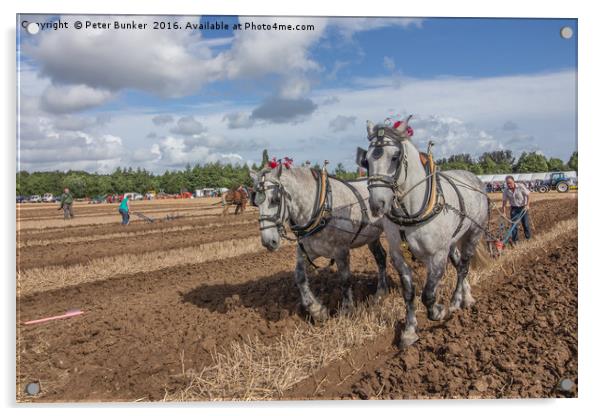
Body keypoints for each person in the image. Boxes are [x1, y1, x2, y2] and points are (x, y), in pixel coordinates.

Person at [502, 175, 531, 243]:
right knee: (514, 226)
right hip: (514, 209)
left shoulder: (520, 186)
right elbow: (504, 203)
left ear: (513, 181)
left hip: (523, 208)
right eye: (507, 183)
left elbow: (528, 194)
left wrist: (527, 205)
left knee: (525, 224)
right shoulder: (506, 191)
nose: (509, 185)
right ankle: (515, 241)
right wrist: (504, 212)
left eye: (510, 183)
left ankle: (528, 238)